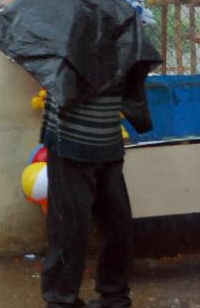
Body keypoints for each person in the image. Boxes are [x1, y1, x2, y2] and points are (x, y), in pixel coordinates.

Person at [41, 91, 133, 308]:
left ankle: (110, 296)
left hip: (102, 138)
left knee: (115, 223)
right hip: (74, 140)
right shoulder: (64, 58)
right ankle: (65, 299)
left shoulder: (120, 55)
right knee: (74, 226)